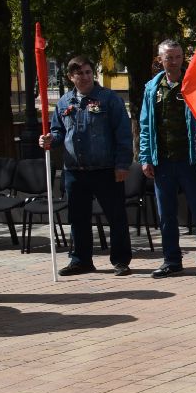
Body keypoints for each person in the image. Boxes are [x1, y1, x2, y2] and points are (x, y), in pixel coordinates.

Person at [41, 56, 133, 277]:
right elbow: (58, 132)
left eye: (88, 72)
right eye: (79, 73)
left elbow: (123, 133)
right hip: (75, 171)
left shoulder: (109, 99)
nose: (85, 77)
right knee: (78, 217)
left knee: (116, 216)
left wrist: (122, 164)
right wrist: (49, 140)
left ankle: (120, 260)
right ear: (71, 77)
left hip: (105, 169)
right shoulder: (64, 102)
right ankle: (81, 260)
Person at [139, 40, 196, 279]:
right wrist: (145, 158)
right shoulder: (152, 88)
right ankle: (172, 260)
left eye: (177, 57)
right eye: (168, 58)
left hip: (191, 160)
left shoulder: (193, 84)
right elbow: (145, 125)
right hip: (162, 160)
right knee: (167, 216)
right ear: (159, 60)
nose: (173, 62)